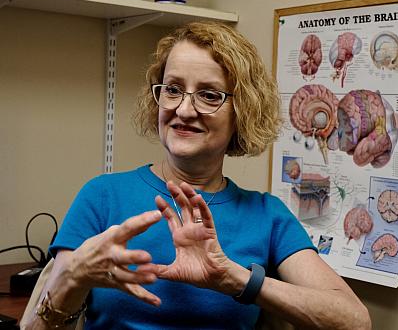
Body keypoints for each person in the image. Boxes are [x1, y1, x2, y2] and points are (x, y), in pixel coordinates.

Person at [24, 21, 371, 329]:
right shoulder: (103, 197)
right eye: (172, 89)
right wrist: (71, 279)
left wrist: (232, 278)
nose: (184, 110)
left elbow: (354, 321)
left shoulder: (267, 217)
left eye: (209, 95)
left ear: (242, 112)